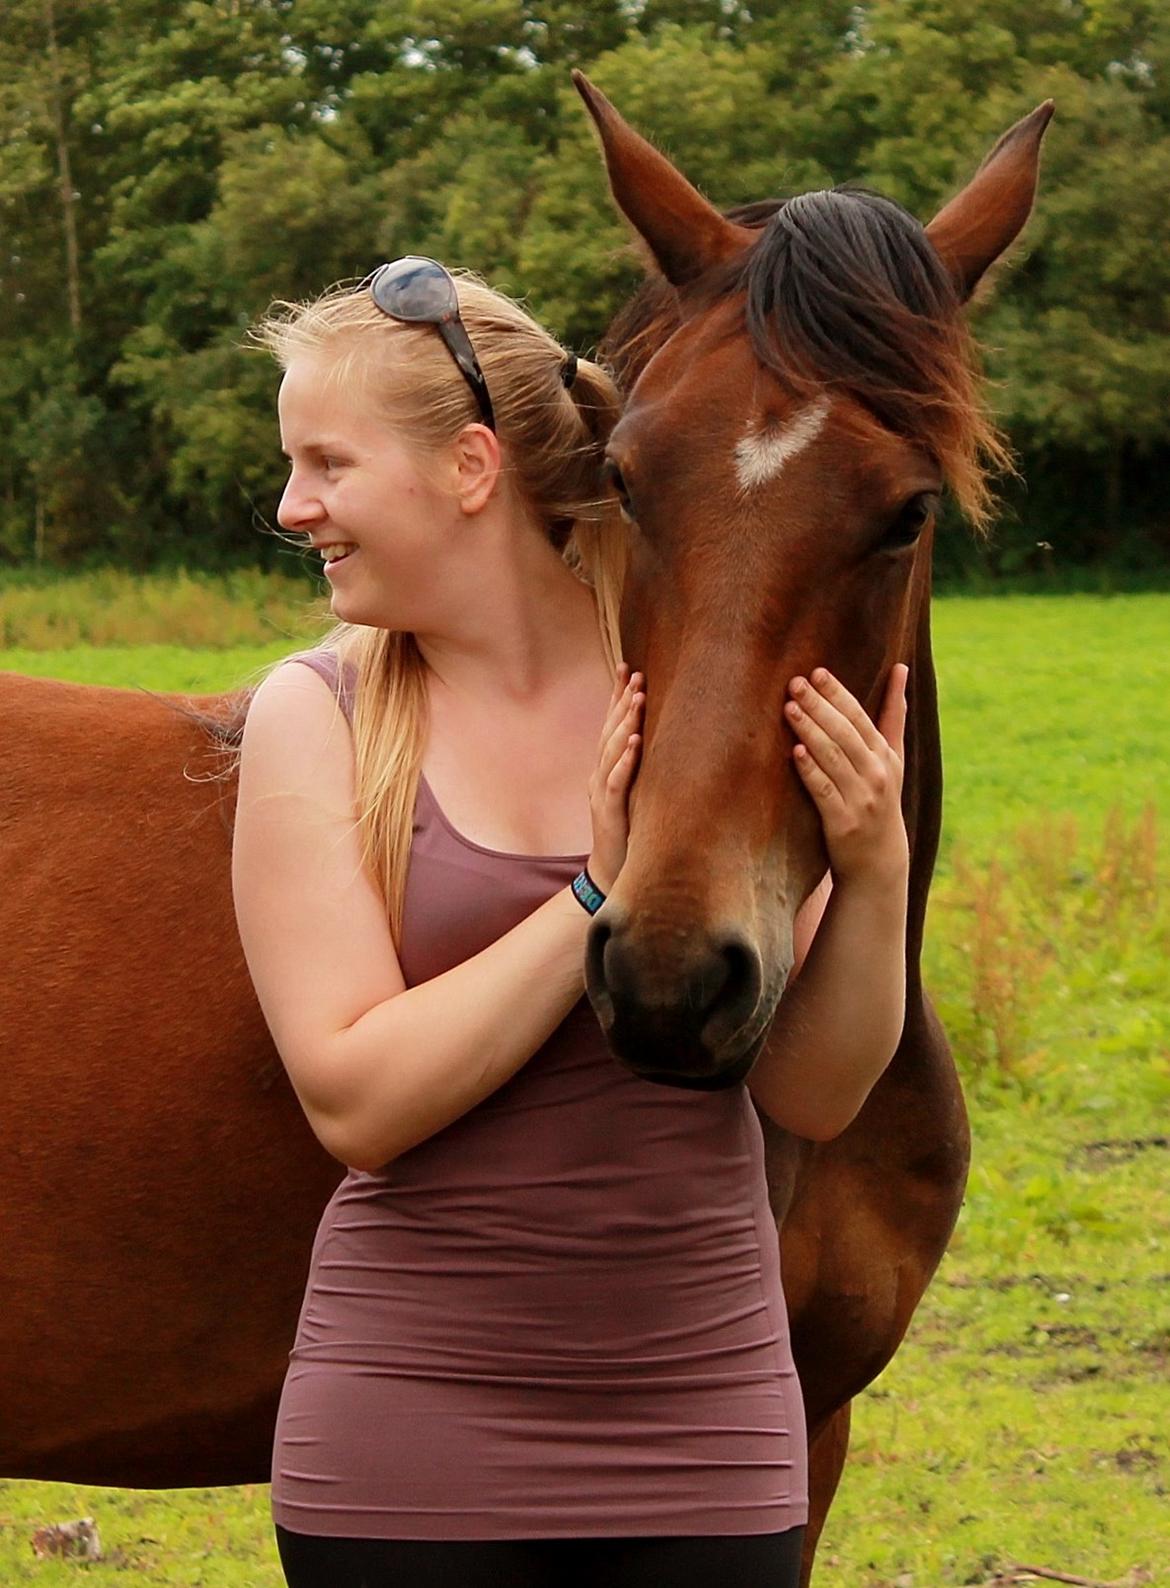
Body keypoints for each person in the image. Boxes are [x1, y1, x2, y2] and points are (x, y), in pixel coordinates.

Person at [231, 257, 910, 1588]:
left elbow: (814, 1097)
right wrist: (592, 895)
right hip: (405, 1440)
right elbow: (357, 1102)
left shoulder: (698, 699)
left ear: (472, 467)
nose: (290, 506)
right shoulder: (319, 719)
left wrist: (871, 871)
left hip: (708, 1432)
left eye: (325, 464)